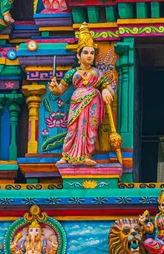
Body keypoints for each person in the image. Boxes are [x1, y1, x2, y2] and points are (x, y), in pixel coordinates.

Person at [48, 23, 116, 166]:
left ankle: (87, 155)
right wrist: (54, 88)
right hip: (77, 102)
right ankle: (66, 155)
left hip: (93, 102)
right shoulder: (73, 73)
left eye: (92, 53)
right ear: (78, 56)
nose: (89, 56)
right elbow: (61, 90)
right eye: (86, 52)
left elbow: (110, 89)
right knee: (73, 128)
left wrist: (104, 90)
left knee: (91, 128)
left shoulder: (97, 73)